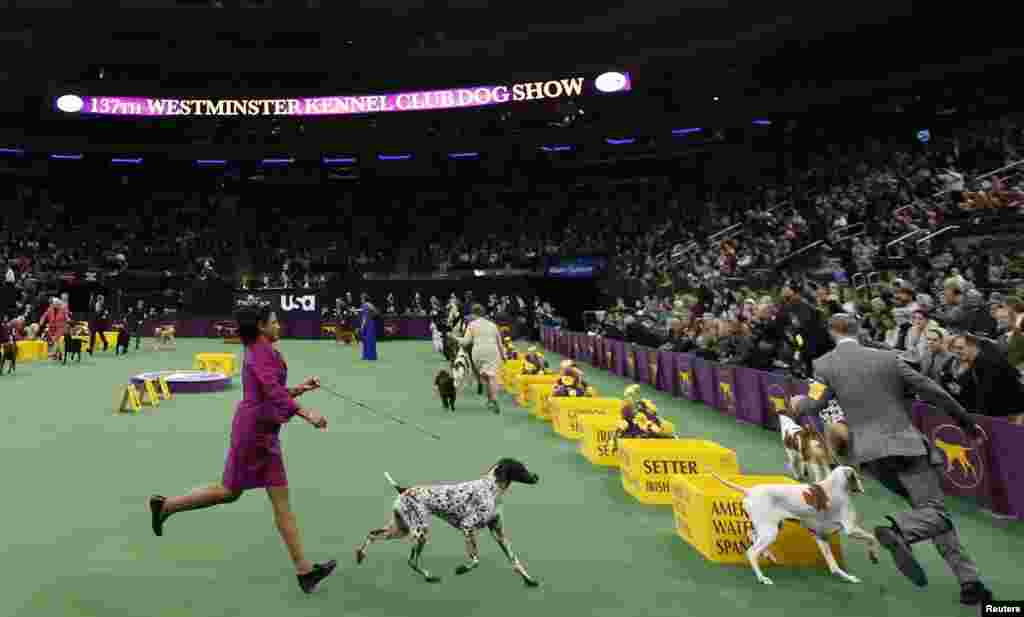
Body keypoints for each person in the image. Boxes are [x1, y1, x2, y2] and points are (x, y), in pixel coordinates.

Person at [789, 314, 992, 606]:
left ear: (832, 332)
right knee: (933, 511)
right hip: (905, 447)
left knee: (929, 513)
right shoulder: (889, 358)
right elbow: (933, 391)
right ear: (859, 330)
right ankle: (898, 530)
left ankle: (969, 582)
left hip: (871, 457)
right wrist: (967, 423)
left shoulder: (824, 365)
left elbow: (815, 404)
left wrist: (799, 405)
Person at [147, 307, 336, 594]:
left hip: (262, 431)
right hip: (254, 435)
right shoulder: (259, 352)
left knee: (247, 495)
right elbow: (271, 393)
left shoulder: (262, 349)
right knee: (237, 493)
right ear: (261, 326)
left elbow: (270, 392)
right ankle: (167, 506)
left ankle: (304, 570)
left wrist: (299, 389)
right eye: (274, 322)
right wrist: (306, 413)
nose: (279, 326)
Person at [454, 303, 507, 413]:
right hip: (492, 351)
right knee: (492, 376)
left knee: (484, 377)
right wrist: (504, 356)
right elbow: (499, 343)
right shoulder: (492, 325)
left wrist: (455, 338)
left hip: (478, 352)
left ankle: (490, 400)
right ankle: (494, 399)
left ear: (474, 314)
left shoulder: (472, 325)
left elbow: (465, 342)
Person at [359, 293, 377, 361]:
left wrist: (362, 326)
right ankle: (372, 356)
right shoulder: (370, 304)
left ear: (364, 299)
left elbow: (365, 317)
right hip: (372, 323)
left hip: (367, 324)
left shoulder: (365, 305)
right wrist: (356, 310)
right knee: (371, 340)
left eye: (361, 298)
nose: (361, 300)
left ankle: (367, 356)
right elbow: (373, 312)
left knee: (366, 340)